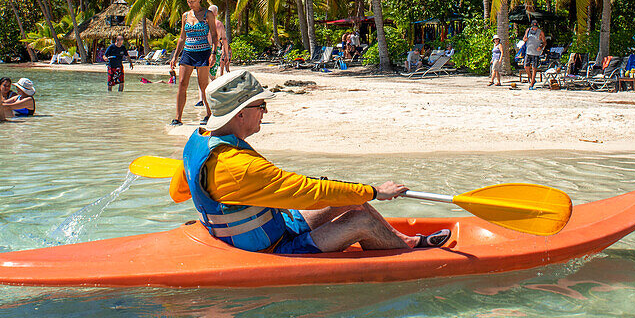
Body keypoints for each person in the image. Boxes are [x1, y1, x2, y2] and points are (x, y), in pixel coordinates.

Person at [178, 70, 450, 254]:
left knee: (351, 200)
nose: (265, 112)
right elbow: (310, 192)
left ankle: (405, 242)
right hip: (270, 251)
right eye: (261, 106)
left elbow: (178, 191)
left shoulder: (198, 142)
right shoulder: (240, 167)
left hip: (277, 227)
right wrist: (377, 192)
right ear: (239, 115)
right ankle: (411, 258)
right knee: (361, 222)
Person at [170, 0, 219, 126]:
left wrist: (214, 53)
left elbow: (214, 35)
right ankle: (178, 118)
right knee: (181, 84)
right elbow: (182, 37)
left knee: (203, 85)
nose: (190, 4)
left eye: (192, 1)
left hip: (203, 52)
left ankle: (209, 114)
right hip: (187, 52)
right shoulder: (185, 15)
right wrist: (175, 56)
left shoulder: (208, 15)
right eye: (188, 2)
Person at [207, 4, 231, 78]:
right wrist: (226, 54)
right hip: (216, 50)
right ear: (216, 13)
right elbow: (224, 39)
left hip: (205, 48)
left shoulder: (204, 23)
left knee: (204, 71)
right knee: (212, 72)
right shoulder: (219, 24)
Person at [522, 19, 546, 90]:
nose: (534, 28)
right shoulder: (528, 30)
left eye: (536, 27)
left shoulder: (540, 32)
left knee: (534, 67)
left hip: (536, 52)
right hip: (528, 51)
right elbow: (524, 38)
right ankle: (531, 78)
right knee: (526, 67)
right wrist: (525, 39)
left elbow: (544, 42)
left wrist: (541, 47)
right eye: (533, 27)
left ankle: (532, 83)